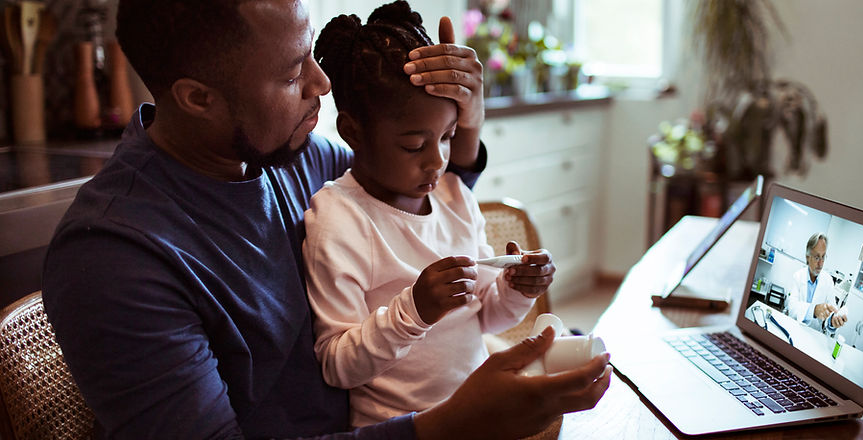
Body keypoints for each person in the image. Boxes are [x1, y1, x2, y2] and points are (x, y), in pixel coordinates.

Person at [40, 0, 610, 439]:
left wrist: (467, 123)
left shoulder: (293, 155)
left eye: (311, 54)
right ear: (198, 98)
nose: (322, 83)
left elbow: (411, 203)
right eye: (293, 74)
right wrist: (450, 425)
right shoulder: (114, 258)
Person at [304, 2, 553, 427]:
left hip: (479, 415)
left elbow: (486, 318)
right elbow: (337, 365)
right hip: (402, 428)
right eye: (414, 146)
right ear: (352, 131)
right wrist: (415, 310)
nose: (437, 161)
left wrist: (516, 289)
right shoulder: (339, 220)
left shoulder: (455, 197)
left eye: (448, 137)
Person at [785, 233, 847, 335]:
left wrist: (833, 321)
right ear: (807, 257)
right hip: (793, 330)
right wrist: (814, 310)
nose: (821, 263)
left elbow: (831, 312)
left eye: (823, 257)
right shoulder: (797, 277)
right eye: (817, 257)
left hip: (813, 335)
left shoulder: (828, 281)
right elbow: (792, 307)